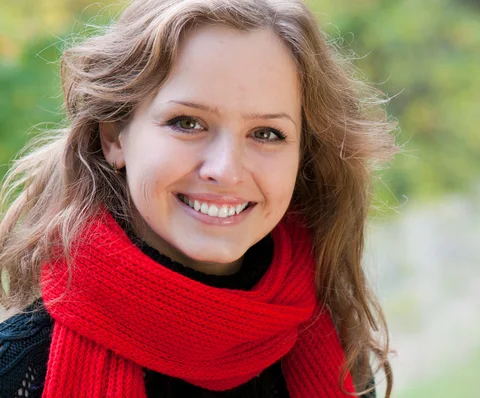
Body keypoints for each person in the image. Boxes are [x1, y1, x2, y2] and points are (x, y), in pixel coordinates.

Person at [0, 0, 397, 397]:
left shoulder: (335, 345)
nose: (226, 170)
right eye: (187, 123)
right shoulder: (19, 371)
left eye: (266, 133)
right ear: (114, 136)